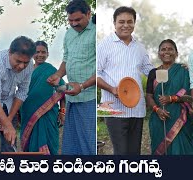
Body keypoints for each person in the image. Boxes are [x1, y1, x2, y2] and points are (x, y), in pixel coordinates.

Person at [97, 6, 154, 155]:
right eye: (121, 21)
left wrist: (171, 69)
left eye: (130, 21)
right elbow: (94, 73)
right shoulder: (104, 45)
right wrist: (112, 89)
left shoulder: (140, 47)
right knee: (121, 152)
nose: (126, 25)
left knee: (134, 152)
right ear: (114, 23)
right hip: (114, 108)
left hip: (137, 108)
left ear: (134, 23)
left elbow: (150, 71)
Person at [47, 0, 96, 155]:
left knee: (89, 144)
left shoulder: (97, 32)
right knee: (71, 145)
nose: (73, 24)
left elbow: (103, 68)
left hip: (90, 97)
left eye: (78, 20)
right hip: (72, 98)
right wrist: (58, 75)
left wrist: (82, 86)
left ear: (88, 14)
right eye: (70, 20)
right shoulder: (69, 34)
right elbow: (67, 59)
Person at [146, 39, 193, 155]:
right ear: (159, 54)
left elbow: (189, 97)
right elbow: (148, 96)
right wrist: (157, 109)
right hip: (158, 119)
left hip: (180, 119)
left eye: (170, 49)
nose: (167, 52)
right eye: (163, 49)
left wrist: (172, 98)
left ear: (176, 53)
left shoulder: (184, 71)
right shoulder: (153, 72)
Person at [20, 41, 66, 155]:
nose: (40, 55)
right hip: (28, 111)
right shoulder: (25, 70)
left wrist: (62, 111)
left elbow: (62, 90)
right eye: (37, 52)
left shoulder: (51, 70)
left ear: (48, 54)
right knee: (30, 143)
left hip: (48, 113)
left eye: (43, 52)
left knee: (49, 141)